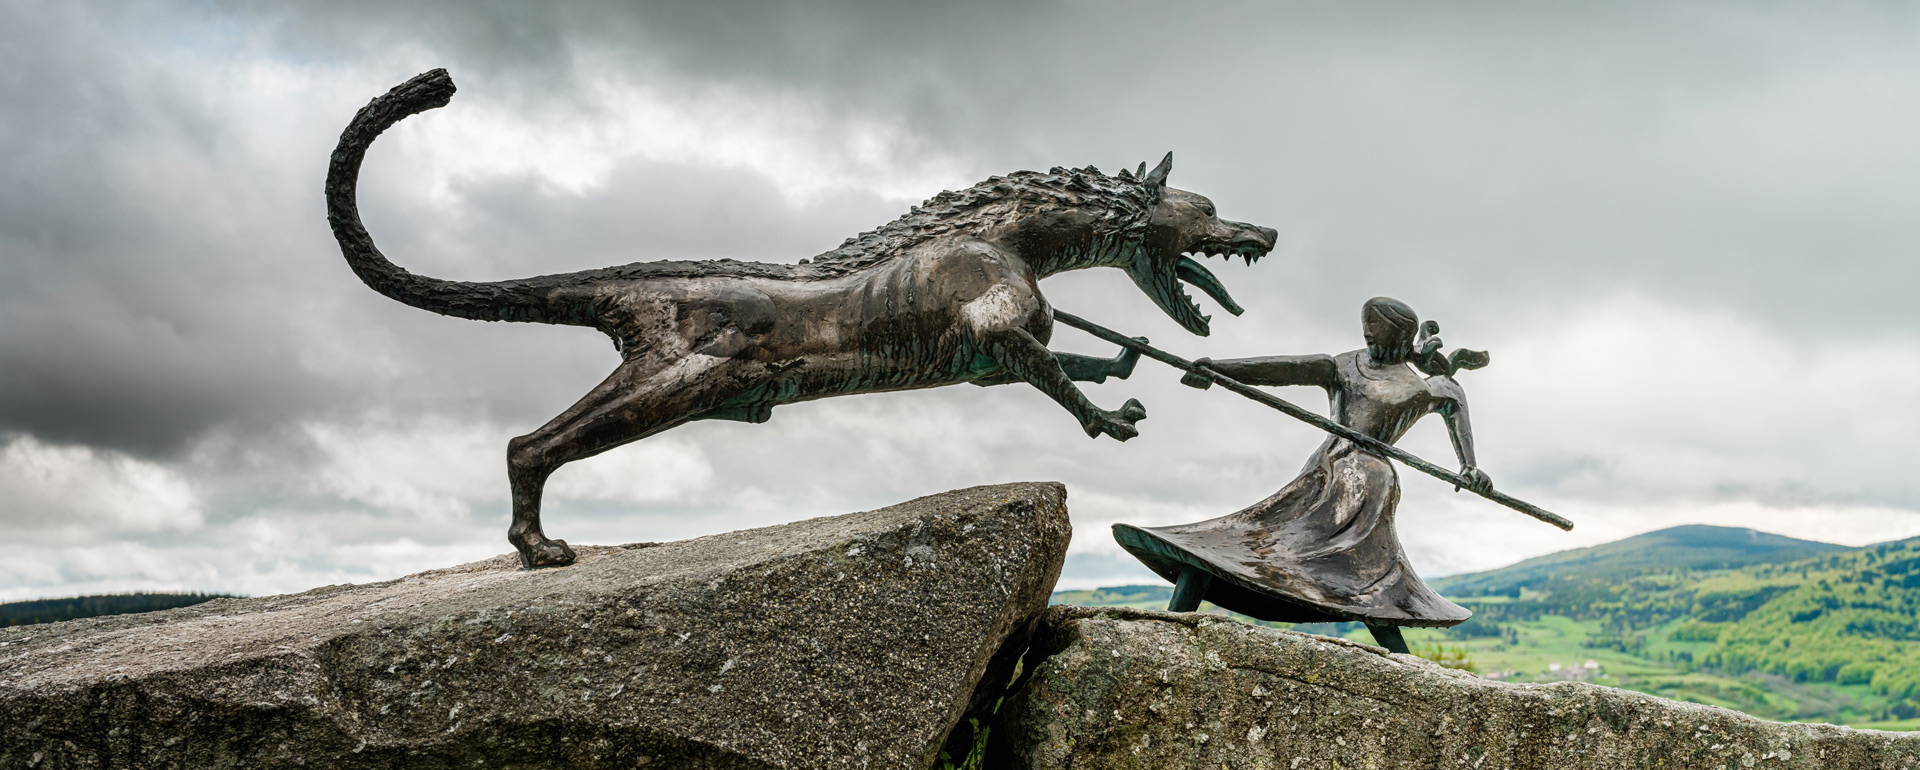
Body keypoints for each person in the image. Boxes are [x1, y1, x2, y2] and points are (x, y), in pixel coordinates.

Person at [1113, 296, 1491, 653]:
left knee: (1367, 574)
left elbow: (1455, 401)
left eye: (1377, 336)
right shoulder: (1344, 365)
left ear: (1399, 339)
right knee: (1249, 538)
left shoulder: (1421, 386)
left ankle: (1405, 663)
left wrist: (1469, 466)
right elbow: (1284, 368)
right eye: (1367, 334)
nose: (1370, 341)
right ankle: (1174, 619)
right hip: (1323, 472)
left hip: (1370, 483)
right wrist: (1219, 369)